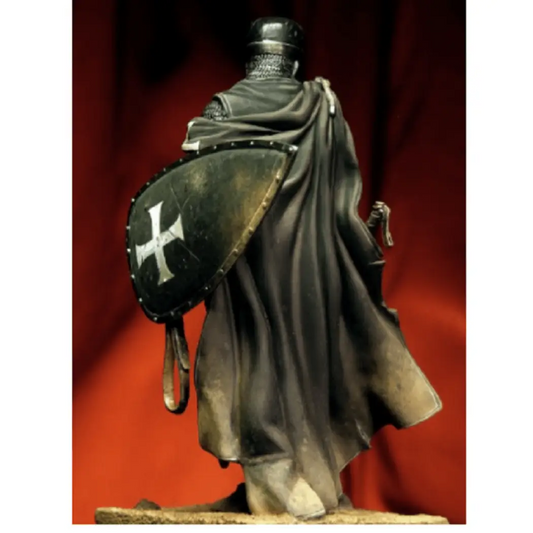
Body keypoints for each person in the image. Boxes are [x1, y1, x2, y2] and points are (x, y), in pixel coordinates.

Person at [179, 16, 441, 519]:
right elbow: (342, 199)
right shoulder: (323, 108)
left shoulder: (222, 111)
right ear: (294, 61)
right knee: (308, 360)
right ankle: (281, 478)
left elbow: (194, 195)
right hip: (312, 272)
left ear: (252, 56)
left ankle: (289, 474)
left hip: (247, 274)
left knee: (253, 358)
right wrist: (359, 240)